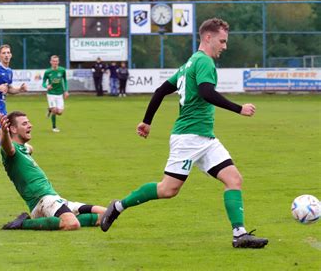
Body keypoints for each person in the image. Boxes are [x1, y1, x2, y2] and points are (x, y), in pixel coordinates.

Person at [100, 18, 269, 249]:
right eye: (222, 41)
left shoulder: (189, 63)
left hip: (205, 138)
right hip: (188, 138)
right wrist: (239, 109)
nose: (225, 46)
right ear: (208, 38)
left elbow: (161, 90)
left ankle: (239, 234)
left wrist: (147, 121)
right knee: (168, 189)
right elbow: (207, 92)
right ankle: (118, 206)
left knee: (233, 179)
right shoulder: (204, 62)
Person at [0, 111, 106, 230]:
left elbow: (29, 148)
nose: (30, 125)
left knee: (105, 215)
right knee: (72, 224)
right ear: (13, 129)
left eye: (29, 122)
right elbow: (7, 146)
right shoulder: (10, 151)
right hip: (42, 201)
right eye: (24, 124)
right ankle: (23, 223)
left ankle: (54, 220)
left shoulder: (23, 148)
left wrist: (23, 145)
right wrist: (4, 133)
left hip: (54, 198)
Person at [42, 55, 68, 133]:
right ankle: (54, 127)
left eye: (56, 61)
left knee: (59, 112)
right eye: (53, 61)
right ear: (51, 62)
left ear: (58, 62)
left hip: (59, 94)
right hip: (51, 94)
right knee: (55, 110)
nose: (55, 63)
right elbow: (43, 82)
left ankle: (49, 109)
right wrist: (46, 86)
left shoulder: (62, 70)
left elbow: (65, 81)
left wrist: (66, 91)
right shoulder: (47, 72)